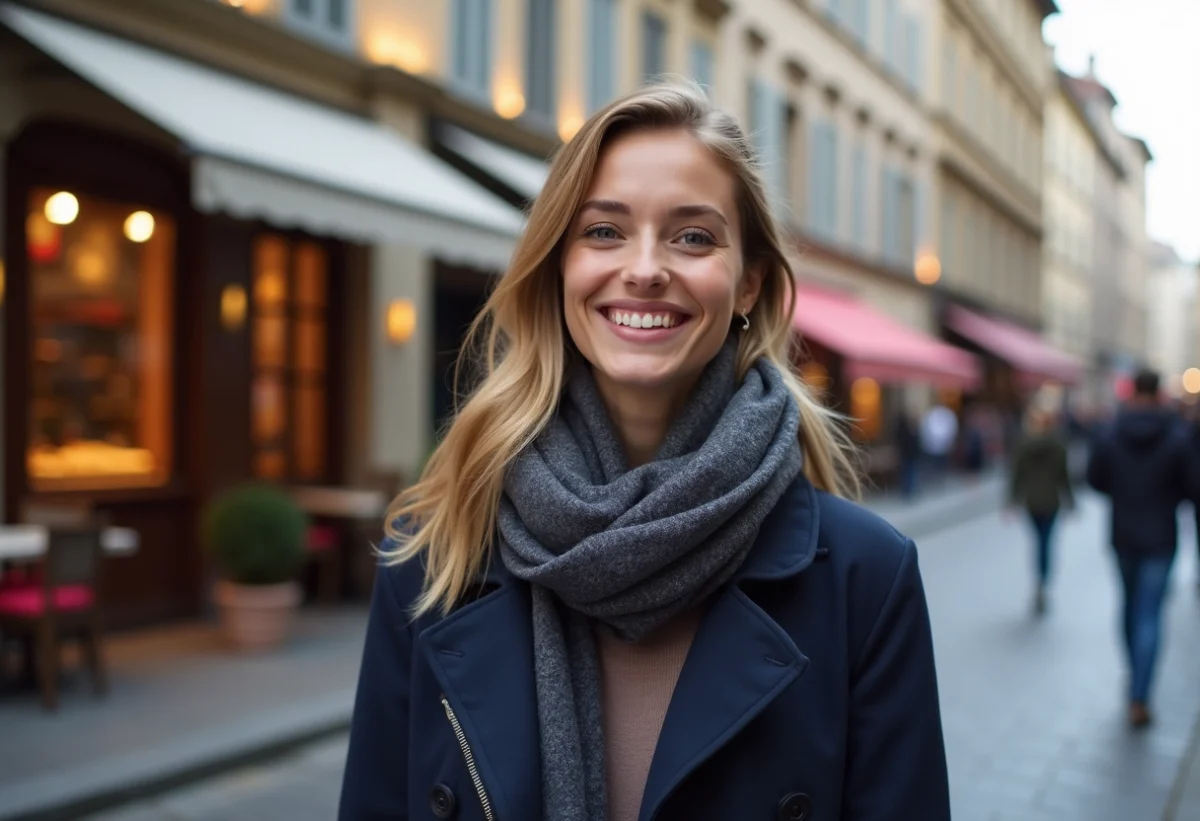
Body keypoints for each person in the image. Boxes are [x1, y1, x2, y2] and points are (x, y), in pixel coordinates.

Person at [338, 82, 950, 821]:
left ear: (749, 282)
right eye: (603, 232)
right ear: (559, 266)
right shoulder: (434, 557)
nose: (646, 267)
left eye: (693, 236)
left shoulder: (867, 579)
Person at [1087, 369, 1191, 728]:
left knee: (1130, 607)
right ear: (1159, 392)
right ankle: (1140, 694)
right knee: (1150, 613)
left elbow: (1094, 479)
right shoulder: (1176, 436)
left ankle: (1135, 675)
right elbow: (1192, 487)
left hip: (1124, 534)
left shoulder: (1112, 432)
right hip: (1161, 536)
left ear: (1133, 391)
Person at [1007, 406, 1075, 615]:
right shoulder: (1058, 446)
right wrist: (1070, 501)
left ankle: (1039, 580)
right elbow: (1064, 476)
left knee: (1038, 542)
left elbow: (1016, 475)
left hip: (1032, 501)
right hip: (1051, 501)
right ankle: (1043, 580)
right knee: (1046, 543)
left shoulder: (1024, 445)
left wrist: (1012, 500)